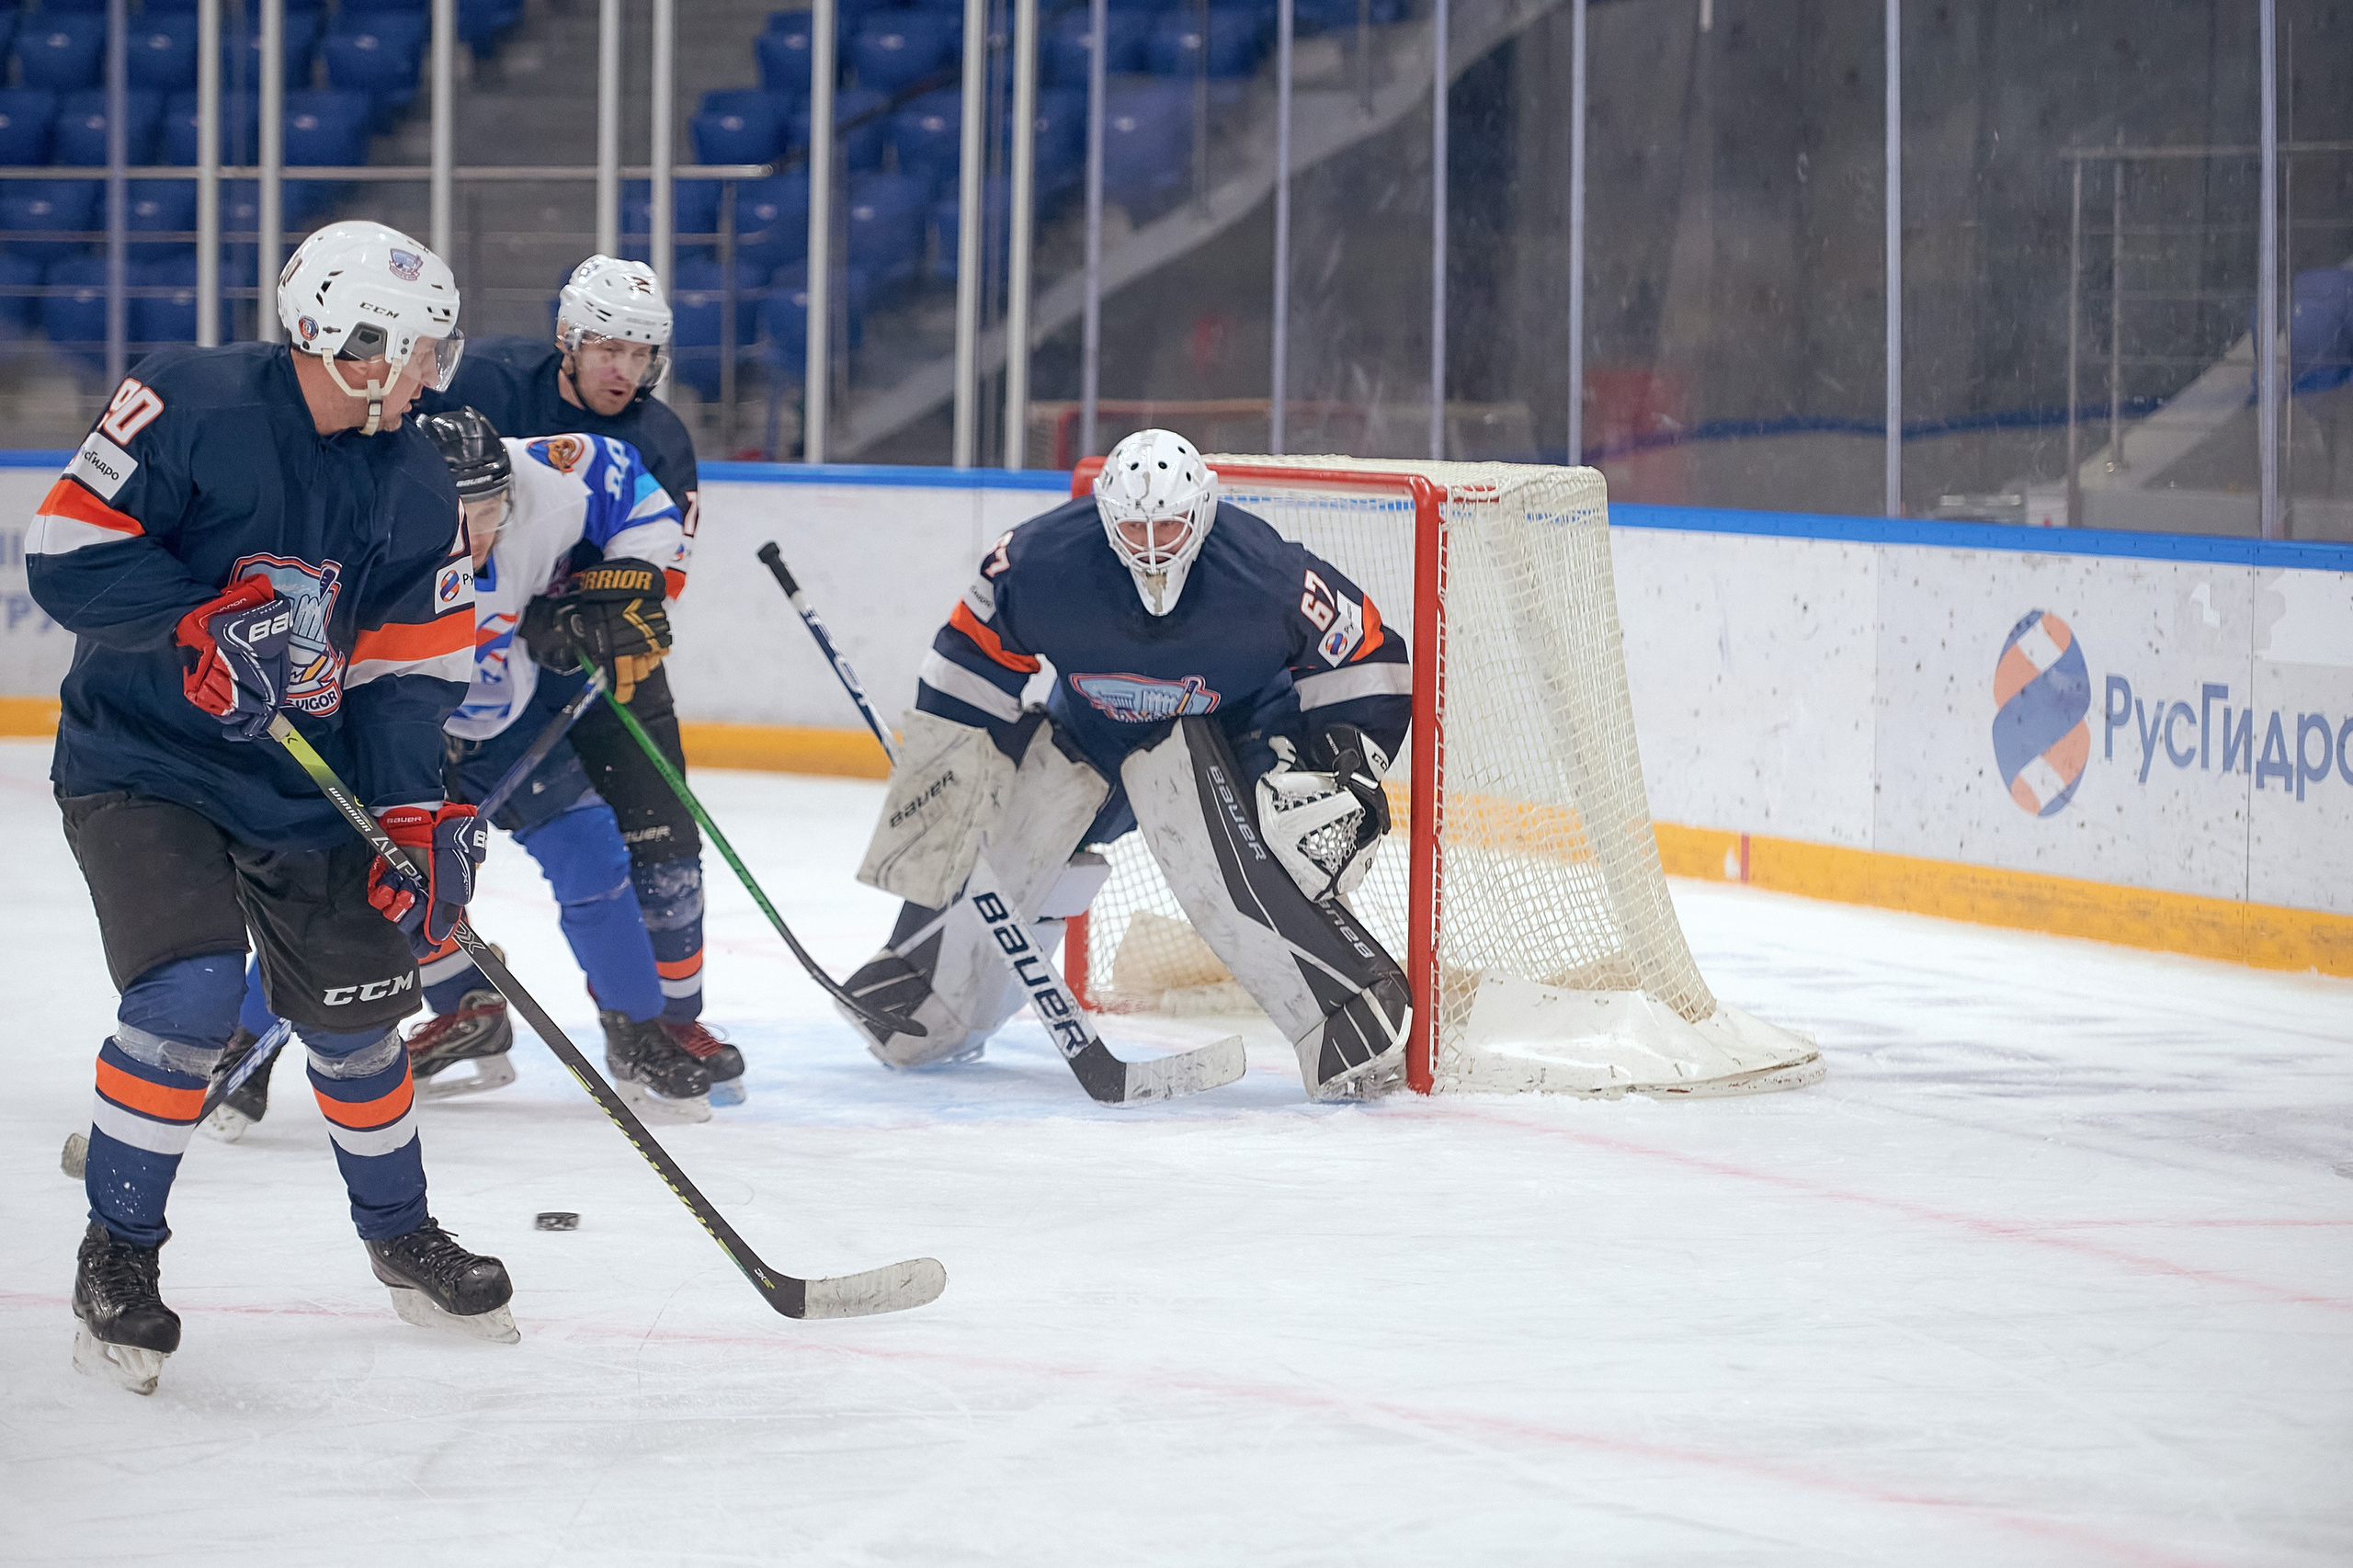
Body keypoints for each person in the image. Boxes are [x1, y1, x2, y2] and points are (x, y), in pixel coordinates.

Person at [30, 221, 514, 1395]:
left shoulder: (415, 478)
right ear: (348, 341)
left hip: (298, 778)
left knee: (355, 1014)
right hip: (142, 759)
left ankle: (400, 1232)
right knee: (189, 997)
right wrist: (191, 621)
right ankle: (118, 1255)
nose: (431, 375)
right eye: (417, 350)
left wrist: (412, 811)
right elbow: (66, 548)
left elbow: (405, 670)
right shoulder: (188, 399)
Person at [844, 429, 1416, 1101]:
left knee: (1233, 852)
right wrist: (950, 764)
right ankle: (927, 1000)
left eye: (1168, 524)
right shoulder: (1037, 561)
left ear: (1203, 511)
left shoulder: (1266, 575)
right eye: (1134, 526)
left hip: (1240, 734)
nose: (1151, 544)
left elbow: (1365, 653)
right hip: (1094, 733)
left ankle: (1351, 1009)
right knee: (1012, 819)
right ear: (1105, 513)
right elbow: (969, 662)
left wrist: (1342, 766)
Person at [217, 409, 723, 1120]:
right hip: (402, 747)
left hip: (506, 727)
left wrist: (620, 588)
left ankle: (637, 1032)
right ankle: (244, 1047)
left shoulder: (546, 482)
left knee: (593, 856)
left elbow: (638, 492)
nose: (477, 535)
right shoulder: (364, 524)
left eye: (491, 512)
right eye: (460, 516)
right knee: (359, 891)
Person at [415, 256, 725, 1083]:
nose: (624, 370)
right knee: (398, 853)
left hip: (597, 658)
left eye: (640, 354)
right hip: (463, 657)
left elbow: (665, 572)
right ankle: (462, 1003)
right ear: (568, 339)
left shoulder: (658, 439)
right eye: (607, 349)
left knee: (660, 837)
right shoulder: (481, 381)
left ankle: (668, 1023)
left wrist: (585, 614)